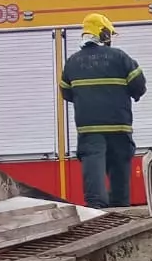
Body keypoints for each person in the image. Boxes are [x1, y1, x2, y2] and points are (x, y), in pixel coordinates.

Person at [60, 13, 146, 209]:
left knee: (93, 164)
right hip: (119, 125)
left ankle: (96, 208)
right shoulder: (120, 57)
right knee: (120, 167)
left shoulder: (72, 62)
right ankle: (120, 208)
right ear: (103, 33)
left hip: (89, 127)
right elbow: (139, 86)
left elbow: (66, 93)